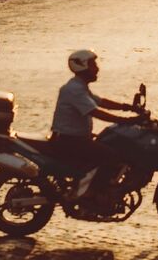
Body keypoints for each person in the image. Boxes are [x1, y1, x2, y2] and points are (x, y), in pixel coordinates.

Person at [51, 49, 143, 199]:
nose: (97, 68)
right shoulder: (74, 89)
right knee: (111, 156)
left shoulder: (79, 87)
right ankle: (92, 193)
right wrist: (126, 121)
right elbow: (95, 111)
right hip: (69, 141)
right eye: (93, 64)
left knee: (111, 144)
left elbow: (101, 102)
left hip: (75, 138)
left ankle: (92, 187)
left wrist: (127, 107)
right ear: (82, 66)